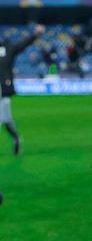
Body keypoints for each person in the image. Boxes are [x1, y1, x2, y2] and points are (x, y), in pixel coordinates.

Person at [1, 24, 45, 156]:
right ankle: (16, 139)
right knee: (6, 120)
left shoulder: (8, 48)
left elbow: (22, 44)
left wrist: (36, 34)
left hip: (4, 89)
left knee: (4, 119)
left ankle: (16, 139)